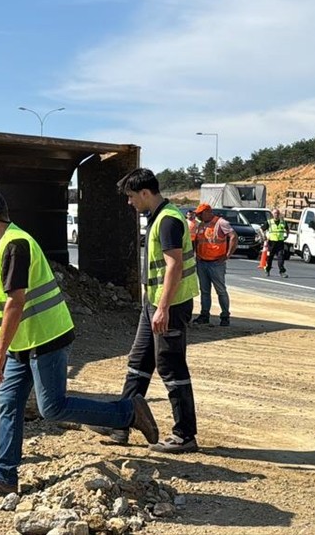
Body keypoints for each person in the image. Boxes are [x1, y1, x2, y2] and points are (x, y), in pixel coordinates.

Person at [0, 186, 158, 497]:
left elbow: (15, 302)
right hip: (22, 342)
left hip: (46, 337)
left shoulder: (15, 245)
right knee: (8, 403)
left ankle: (128, 413)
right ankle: (4, 476)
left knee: (52, 408)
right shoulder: (2, 244)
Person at [97, 168, 201, 453]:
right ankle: (122, 423)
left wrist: (163, 308)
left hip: (170, 305)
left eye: (131, 196)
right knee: (139, 363)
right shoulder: (158, 218)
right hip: (153, 303)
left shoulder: (168, 221)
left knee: (170, 365)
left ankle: (185, 434)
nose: (129, 202)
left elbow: (174, 265)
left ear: (145, 193)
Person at [190, 204, 236, 327]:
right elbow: (197, 241)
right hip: (202, 262)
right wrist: (196, 255)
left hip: (216, 263)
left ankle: (225, 316)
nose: (198, 216)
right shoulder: (201, 224)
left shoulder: (221, 223)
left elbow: (233, 236)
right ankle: (204, 315)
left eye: (200, 213)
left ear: (208, 212)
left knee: (220, 290)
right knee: (204, 291)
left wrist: (227, 255)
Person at [263, 208, 290, 277]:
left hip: (280, 243)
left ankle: (282, 272)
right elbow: (261, 229)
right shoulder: (269, 222)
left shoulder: (283, 222)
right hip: (271, 243)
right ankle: (267, 270)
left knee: (281, 258)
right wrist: (264, 236)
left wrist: (287, 236)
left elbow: (287, 229)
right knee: (269, 258)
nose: (276, 215)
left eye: (277, 213)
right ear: (272, 214)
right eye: (275, 213)